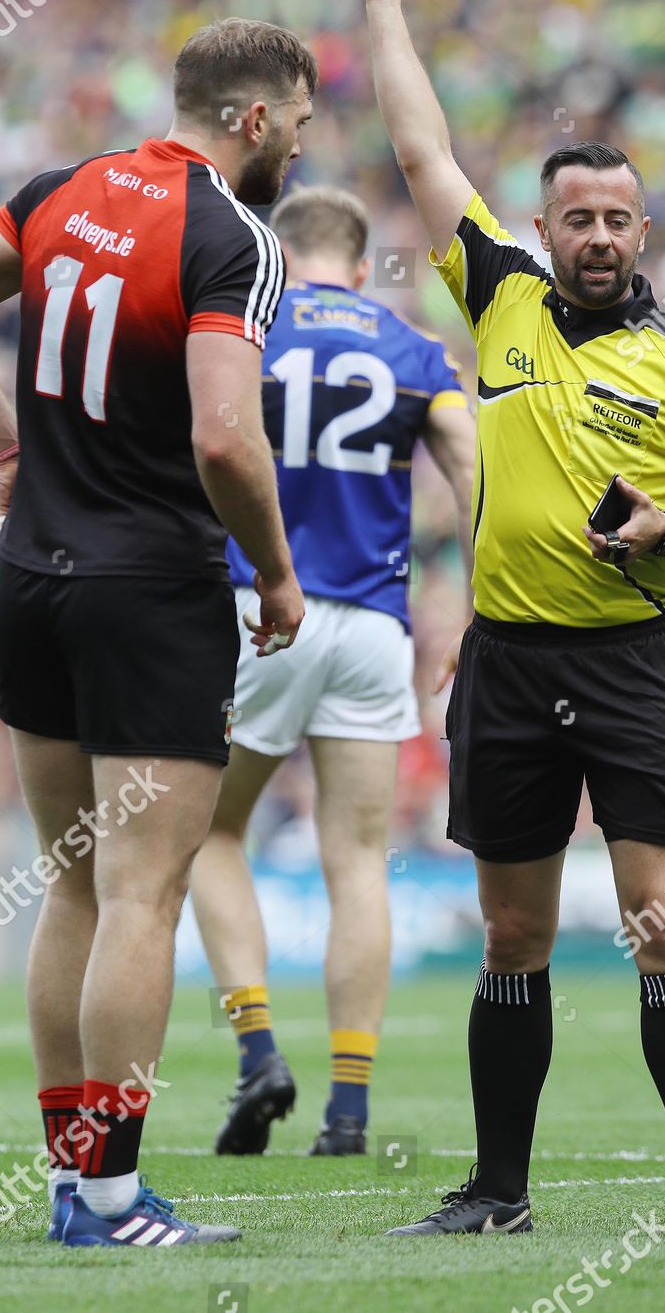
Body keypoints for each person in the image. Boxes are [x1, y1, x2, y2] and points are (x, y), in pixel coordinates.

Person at [345, 0, 665, 1239]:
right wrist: (383, 0)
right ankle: (498, 1192)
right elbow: (420, 149)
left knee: (660, 925)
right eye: (573, 216)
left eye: (614, 217)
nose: (594, 233)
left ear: (642, 230)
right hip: (510, 660)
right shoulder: (500, 300)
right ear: (541, 227)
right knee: (512, 938)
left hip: (634, 661)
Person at [0, 18, 314, 1248]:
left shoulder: (59, 189)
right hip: (149, 591)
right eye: (295, 121)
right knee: (143, 893)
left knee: (72, 886)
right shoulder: (233, 236)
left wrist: (12, 452)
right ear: (251, 120)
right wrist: (278, 575)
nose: (298, 142)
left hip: (31, 578)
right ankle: (116, 1201)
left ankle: (76, 1184)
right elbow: (226, 439)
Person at [190, 184, 476, 1157]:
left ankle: (258, 1049)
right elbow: (471, 467)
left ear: (281, 252)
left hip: (256, 606)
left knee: (210, 834)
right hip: (370, 625)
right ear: (359, 266)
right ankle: (348, 1105)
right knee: (356, 860)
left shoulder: (245, 326)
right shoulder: (410, 348)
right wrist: (477, 604)